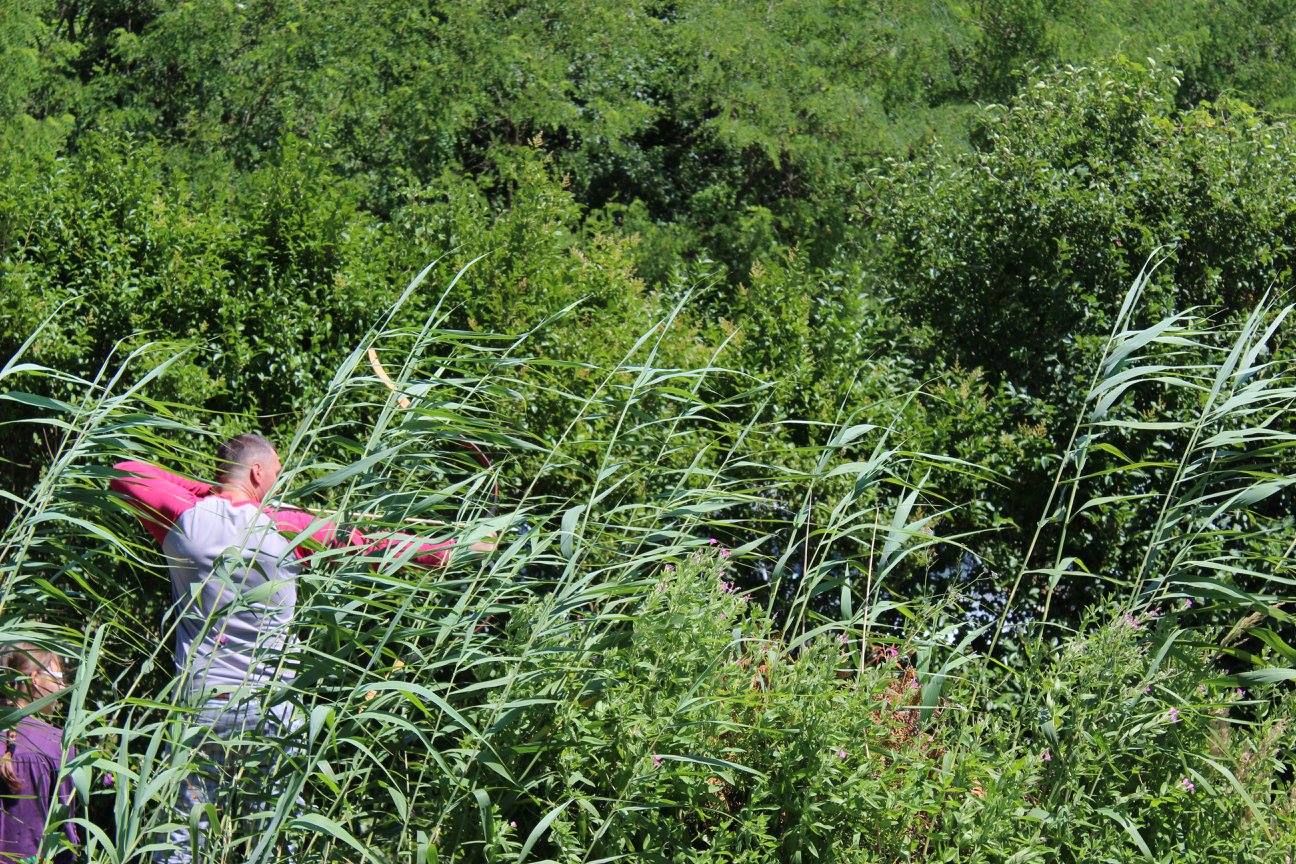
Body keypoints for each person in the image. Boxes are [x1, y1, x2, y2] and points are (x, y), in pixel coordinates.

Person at [109, 433, 491, 862]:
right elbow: (378, 545)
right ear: (257, 472)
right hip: (271, 708)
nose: (278, 481)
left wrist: (214, 493)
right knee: (276, 836)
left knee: (184, 833)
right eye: (275, 472)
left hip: (200, 705)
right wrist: (459, 550)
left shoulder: (186, 520)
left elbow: (123, 472)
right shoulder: (288, 528)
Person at [0, 644, 79, 864]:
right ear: (35, 678)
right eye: (59, 678)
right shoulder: (56, 746)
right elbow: (64, 837)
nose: (63, 686)